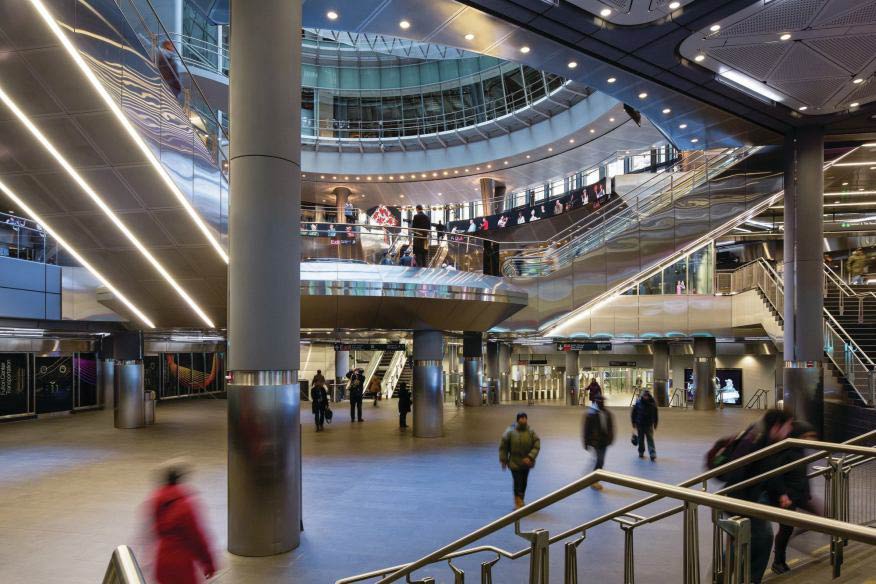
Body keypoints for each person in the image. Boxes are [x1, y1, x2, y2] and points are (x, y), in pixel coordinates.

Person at [719, 409, 795, 584]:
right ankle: (749, 579)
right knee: (762, 537)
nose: (789, 431)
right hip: (742, 497)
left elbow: (770, 471)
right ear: (777, 426)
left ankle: (723, 576)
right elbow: (739, 471)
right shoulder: (758, 440)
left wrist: (781, 493)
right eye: (788, 426)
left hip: (746, 495)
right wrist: (739, 505)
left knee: (741, 539)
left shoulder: (763, 436)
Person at [147, 461, 216, 584]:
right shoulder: (185, 507)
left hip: (162, 561)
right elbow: (197, 537)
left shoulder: (157, 500)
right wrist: (208, 562)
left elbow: (154, 531)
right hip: (181, 564)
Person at [768, 421, 820, 575]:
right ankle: (778, 561)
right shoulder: (788, 453)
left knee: (819, 517)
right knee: (785, 529)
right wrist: (783, 495)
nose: (813, 439)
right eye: (809, 436)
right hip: (787, 498)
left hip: (800, 495)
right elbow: (776, 476)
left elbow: (802, 475)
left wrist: (807, 492)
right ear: (800, 436)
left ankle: (795, 534)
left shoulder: (800, 450)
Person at [499, 412, 541, 509]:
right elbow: (503, 446)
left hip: (526, 463)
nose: (523, 420)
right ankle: (518, 502)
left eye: (524, 418)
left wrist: (530, 457)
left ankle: (520, 499)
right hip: (514, 462)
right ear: (517, 420)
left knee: (524, 482)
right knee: (517, 482)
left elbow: (536, 444)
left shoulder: (531, 431)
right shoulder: (510, 431)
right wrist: (503, 460)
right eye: (521, 418)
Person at [582, 395, 614, 490]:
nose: (601, 403)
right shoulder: (591, 414)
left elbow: (610, 427)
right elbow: (586, 429)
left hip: (604, 441)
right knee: (599, 460)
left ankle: (591, 475)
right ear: (596, 402)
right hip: (595, 441)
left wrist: (610, 438)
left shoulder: (607, 413)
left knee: (600, 460)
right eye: (599, 401)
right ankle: (594, 481)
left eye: (602, 401)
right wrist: (586, 442)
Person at [631, 389, 658, 461]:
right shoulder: (638, 403)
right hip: (640, 424)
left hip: (649, 425)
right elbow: (633, 413)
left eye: (647, 396)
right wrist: (633, 422)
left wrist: (655, 423)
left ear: (649, 396)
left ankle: (652, 454)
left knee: (650, 439)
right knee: (640, 440)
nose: (646, 397)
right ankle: (641, 451)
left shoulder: (652, 403)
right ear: (642, 396)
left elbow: (655, 414)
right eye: (644, 396)